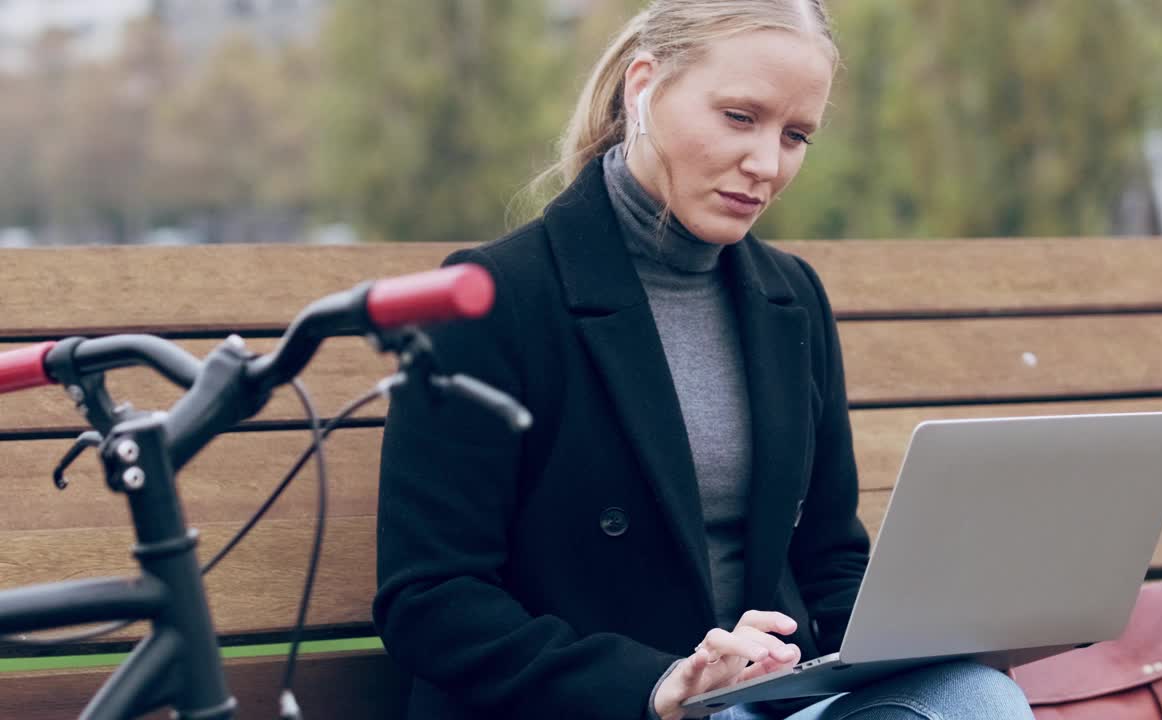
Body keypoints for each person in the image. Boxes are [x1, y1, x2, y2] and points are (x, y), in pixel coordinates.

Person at [373, 1, 1036, 718]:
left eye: (796, 135)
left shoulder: (791, 299)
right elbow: (431, 598)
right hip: (599, 706)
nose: (766, 164)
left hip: (766, 703)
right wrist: (658, 684)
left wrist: (914, 644)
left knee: (977, 696)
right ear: (644, 87)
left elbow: (829, 560)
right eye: (739, 117)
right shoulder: (494, 300)